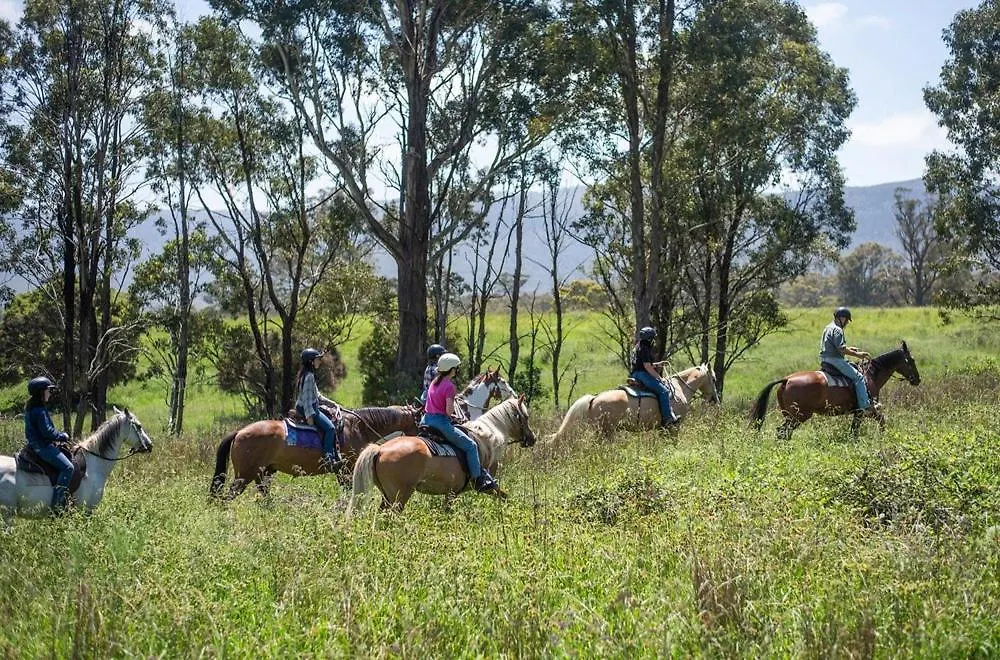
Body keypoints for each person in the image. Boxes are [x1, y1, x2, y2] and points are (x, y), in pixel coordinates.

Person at [421, 352, 502, 495]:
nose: (457, 370)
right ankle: (478, 479)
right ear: (452, 369)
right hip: (441, 423)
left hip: (426, 421)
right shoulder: (449, 386)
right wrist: (452, 413)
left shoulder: (434, 382)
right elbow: (448, 411)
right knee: (471, 446)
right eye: (456, 368)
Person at [23, 376, 75, 513]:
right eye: (48, 390)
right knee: (68, 468)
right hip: (43, 446)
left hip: (34, 445)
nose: (49, 393)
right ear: (41, 392)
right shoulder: (39, 411)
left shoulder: (31, 408)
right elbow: (47, 432)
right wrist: (62, 436)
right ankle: (57, 505)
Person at [295, 348, 344, 469]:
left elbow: (317, 396)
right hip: (309, 408)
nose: (319, 361)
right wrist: (310, 417)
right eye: (317, 359)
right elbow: (307, 400)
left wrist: (333, 404)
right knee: (330, 428)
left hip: (308, 406)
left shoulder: (307, 374)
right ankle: (328, 458)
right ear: (311, 361)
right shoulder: (309, 377)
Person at [820, 307, 873, 412]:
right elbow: (842, 349)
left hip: (825, 360)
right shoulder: (838, 330)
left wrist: (850, 349)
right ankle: (865, 406)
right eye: (847, 320)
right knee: (859, 377)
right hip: (835, 360)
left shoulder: (828, 327)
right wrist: (858, 355)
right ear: (842, 318)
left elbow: (836, 346)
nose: (847, 323)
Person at [629, 326, 679, 428]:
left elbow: (644, 363)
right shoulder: (644, 348)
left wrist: (658, 364)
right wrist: (659, 378)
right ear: (649, 339)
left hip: (635, 373)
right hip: (642, 374)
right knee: (664, 391)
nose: (653, 340)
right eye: (652, 338)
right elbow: (647, 367)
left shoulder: (638, 346)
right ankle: (668, 419)